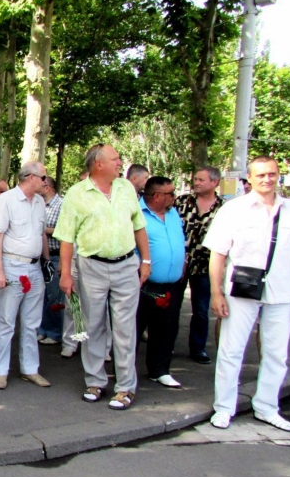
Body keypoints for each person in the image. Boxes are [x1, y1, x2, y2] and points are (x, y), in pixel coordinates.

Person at [205, 156, 290, 432]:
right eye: (261, 175)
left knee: (276, 353)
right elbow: (217, 254)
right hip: (241, 289)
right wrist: (216, 292)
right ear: (250, 178)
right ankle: (224, 408)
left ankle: (267, 406)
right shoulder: (234, 210)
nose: (267, 180)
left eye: (272, 174)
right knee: (231, 350)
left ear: (279, 176)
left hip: (280, 290)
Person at [54, 143, 151, 411]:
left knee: (124, 329)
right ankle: (95, 381)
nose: (120, 163)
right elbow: (66, 237)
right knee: (90, 326)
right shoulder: (76, 194)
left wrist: (145, 260)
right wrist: (66, 274)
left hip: (126, 265)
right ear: (99, 164)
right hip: (91, 267)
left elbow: (139, 225)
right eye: (115, 159)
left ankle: (125, 388)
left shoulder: (126, 188)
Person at [0, 161, 51, 389]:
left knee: (32, 322)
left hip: (34, 268)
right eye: (43, 177)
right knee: (6, 321)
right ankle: (0, 371)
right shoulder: (7, 200)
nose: (46, 181)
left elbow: (41, 234)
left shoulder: (40, 203)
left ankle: (30, 369)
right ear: (30, 177)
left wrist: (47, 263)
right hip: (12, 265)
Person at [136, 176, 185, 388]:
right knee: (134, 329)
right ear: (157, 196)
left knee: (167, 328)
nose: (174, 197)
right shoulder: (136, 213)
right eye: (171, 193)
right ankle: (126, 374)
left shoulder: (173, 213)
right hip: (143, 284)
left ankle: (160, 370)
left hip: (172, 283)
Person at [174, 166, 225, 364]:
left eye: (201, 179)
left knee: (201, 309)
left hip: (206, 266)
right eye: (195, 179)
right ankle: (166, 344)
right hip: (179, 263)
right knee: (172, 306)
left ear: (214, 182)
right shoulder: (182, 202)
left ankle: (198, 348)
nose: (196, 182)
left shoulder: (223, 208)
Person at [37, 175, 63, 346]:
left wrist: (41, 229)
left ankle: (55, 333)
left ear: (47, 187)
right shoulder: (37, 204)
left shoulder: (62, 205)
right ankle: (42, 330)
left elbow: (64, 231)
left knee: (54, 296)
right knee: (42, 296)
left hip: (56, 255)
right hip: (40, 257)